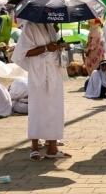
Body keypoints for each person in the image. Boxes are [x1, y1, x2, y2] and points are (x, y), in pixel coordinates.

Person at [12, 21, 70, 161]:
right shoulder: (30, 26)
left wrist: (59, 45)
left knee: (55, 109)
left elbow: (53, 48)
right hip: (38, 74)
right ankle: (35, 146)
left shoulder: (50, 26)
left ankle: (52, 146)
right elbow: (23, 53)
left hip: (54, 72)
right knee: (37, 108)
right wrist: (45, 48)